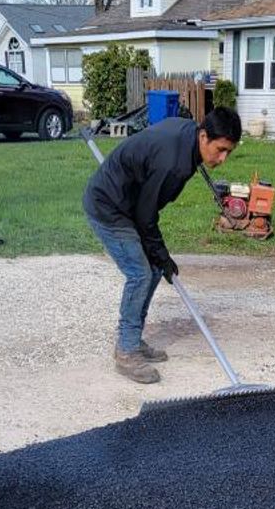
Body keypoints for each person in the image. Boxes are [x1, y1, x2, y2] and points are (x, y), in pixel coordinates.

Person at [83, 106, 242, 384]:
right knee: (140, 273)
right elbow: (146, 217)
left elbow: (146, 209)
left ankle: (132, 338)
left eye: (229, 152)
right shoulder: (175, 164)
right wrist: (162, 253)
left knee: (153, 270)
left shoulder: (189, 135)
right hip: (108, 206)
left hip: (128, 203)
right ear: (203, 136)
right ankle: (127, 350)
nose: (223, 158)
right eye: (220, 149)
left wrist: (160, 258)